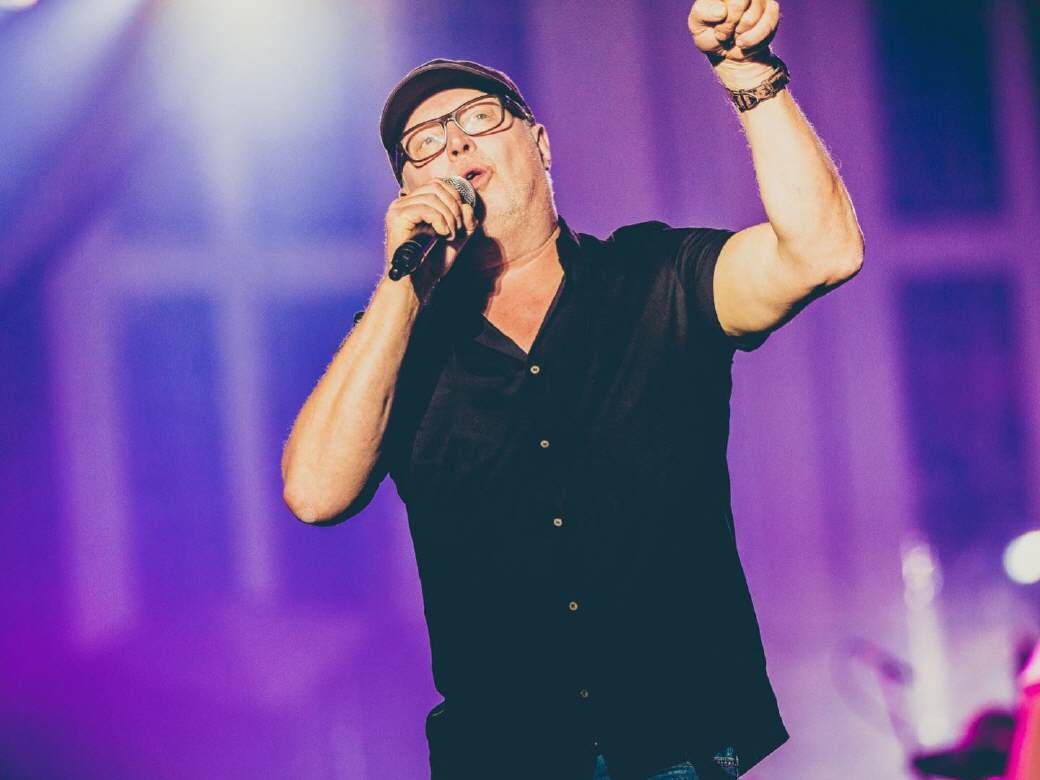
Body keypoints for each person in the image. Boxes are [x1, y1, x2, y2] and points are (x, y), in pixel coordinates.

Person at [281, 1, 863, 778]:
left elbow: (823, 252)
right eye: (423, 143)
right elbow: (315, 494)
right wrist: (401, 289)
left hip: (679, 742)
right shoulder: (400, 344)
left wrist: (749, 75)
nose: (454, 142)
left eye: (479, 118)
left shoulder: (656, 276)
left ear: (540, 143)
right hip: (505, 755)